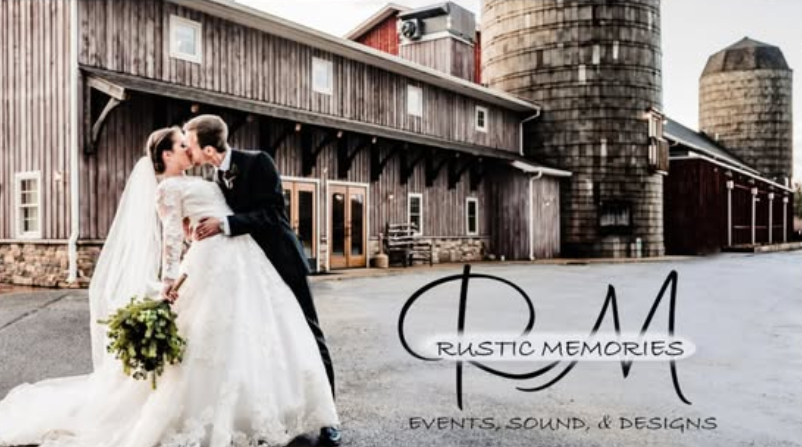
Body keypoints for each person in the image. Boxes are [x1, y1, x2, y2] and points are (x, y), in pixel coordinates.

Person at [0, 127, 339, 447]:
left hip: (247, 261)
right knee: (214, 341)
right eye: (181, 144)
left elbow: (236, 215)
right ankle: (221, 414)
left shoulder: (210, 176)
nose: (187, 149)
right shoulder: (167, 189)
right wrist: (169, 280)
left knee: (260, 335)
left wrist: (218, 225)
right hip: (212, 264)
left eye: (188, 142)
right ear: (165, 154)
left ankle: (295, 412)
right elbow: (173, 239)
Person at [183, 115, 341, 446]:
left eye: (190, 142)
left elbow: (273, 213)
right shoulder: (215, 176)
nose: (187, 147)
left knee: (309, 334)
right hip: (249, 272)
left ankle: (329, 419)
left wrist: (225, 223)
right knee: (271, 340)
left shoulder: (258, 162)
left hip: (282, 262)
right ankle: (280, 411)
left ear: (209, 148)